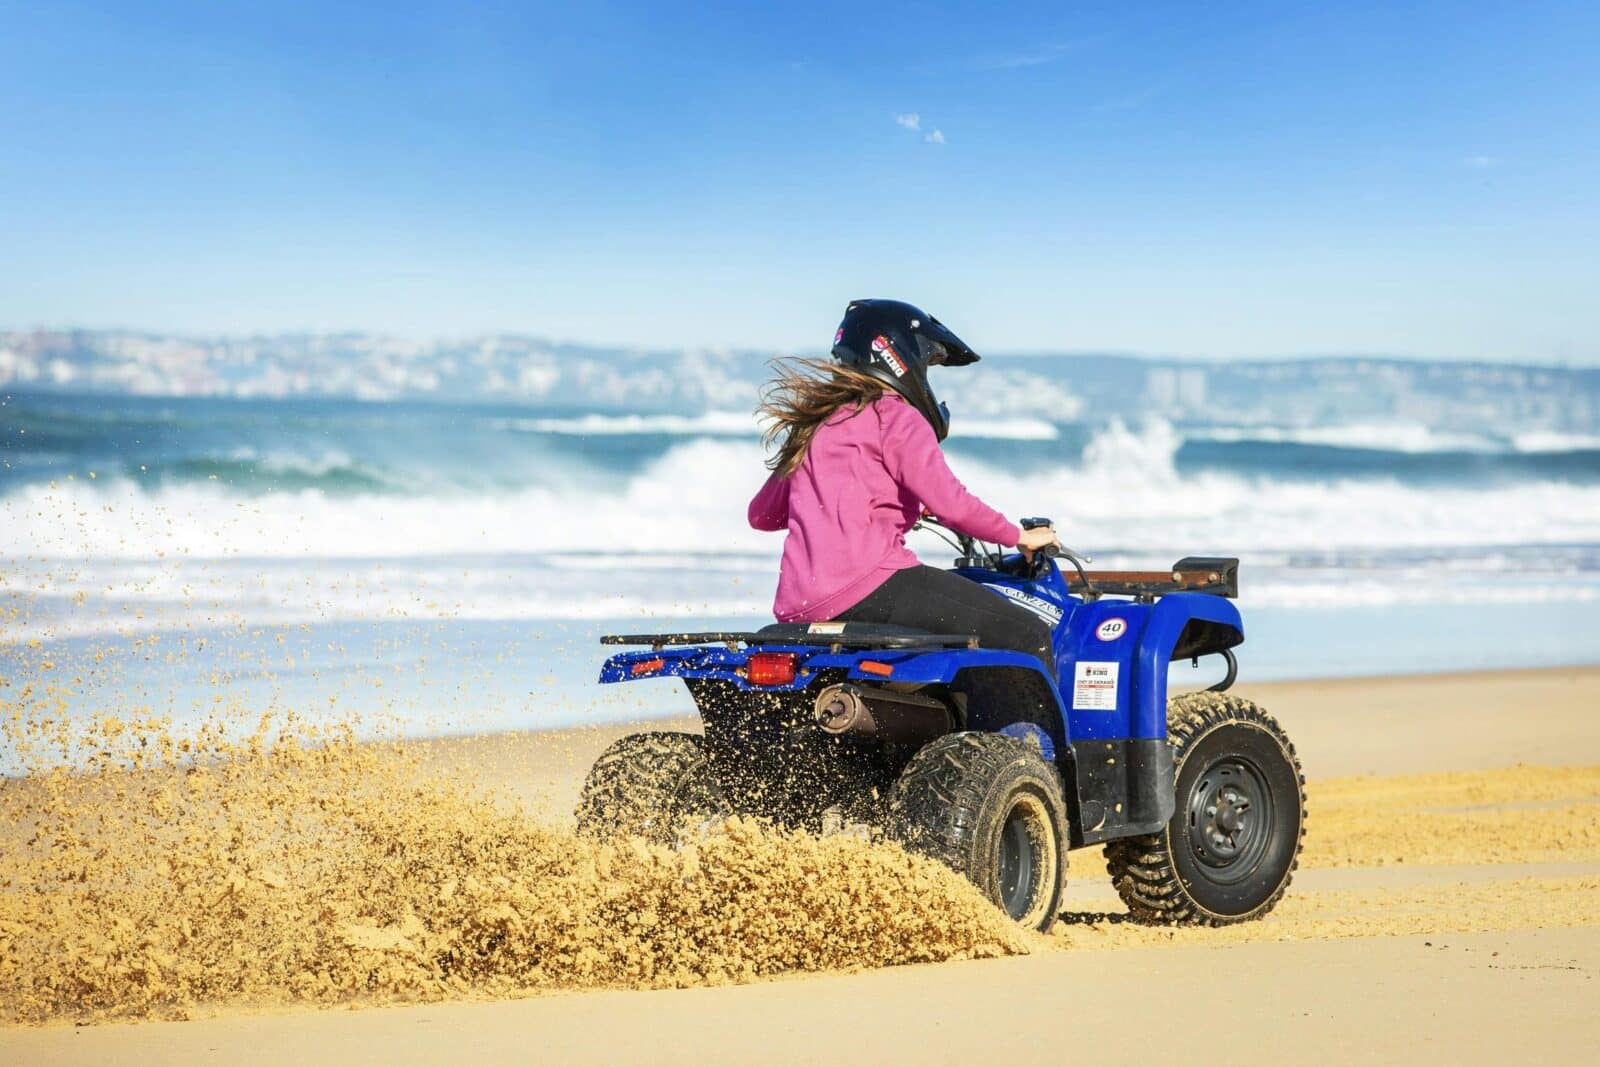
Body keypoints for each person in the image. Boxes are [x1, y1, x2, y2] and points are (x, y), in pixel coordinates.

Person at [747, 298, 1060, 677]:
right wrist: (1018, 536)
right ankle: (1031, 738)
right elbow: (954, 505)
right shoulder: (894, 415)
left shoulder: (817, 424)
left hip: (797, 606)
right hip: (870, 586)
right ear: (900, 356)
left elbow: (761, 515)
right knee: (1028, 633)